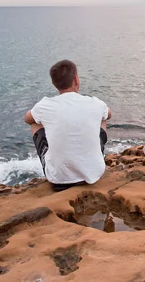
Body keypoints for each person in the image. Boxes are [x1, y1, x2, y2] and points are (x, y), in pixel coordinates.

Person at [24, 60, 111, 191]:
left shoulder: (45, 105)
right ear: (76, 79)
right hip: (94, 173)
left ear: (54, 84)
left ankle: (58, 160)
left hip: (58, 178)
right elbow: (109, 114)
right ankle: (95, 156)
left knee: (35, 123)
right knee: (102, 118)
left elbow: (27, 119)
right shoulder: (96, 103)